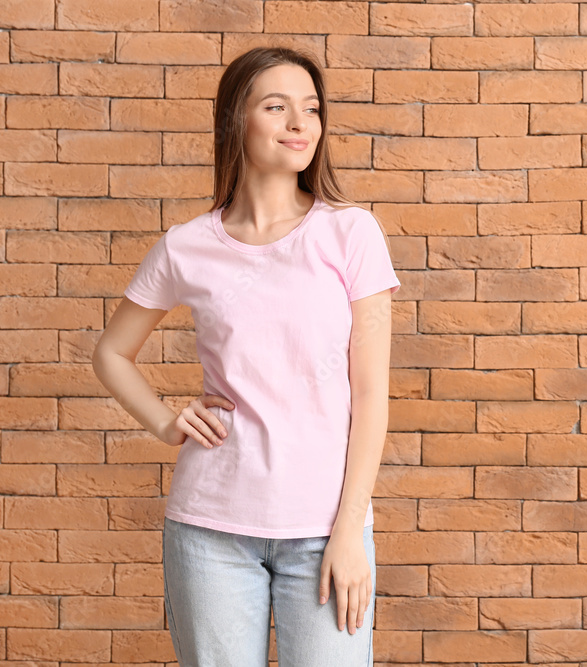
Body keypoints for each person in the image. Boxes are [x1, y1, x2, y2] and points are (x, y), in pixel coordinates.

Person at [92, 46, 400, 666]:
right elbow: (111, 353)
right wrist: (162, 420)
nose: (300, 124)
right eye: (277, 106)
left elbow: (369, 399)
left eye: (311, 109)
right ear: (236, 119)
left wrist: (348, 534)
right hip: (209, 531)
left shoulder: (351, 234)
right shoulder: (186, 247)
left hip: (324, 532)